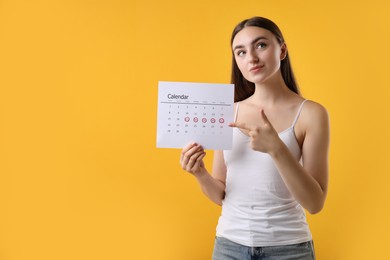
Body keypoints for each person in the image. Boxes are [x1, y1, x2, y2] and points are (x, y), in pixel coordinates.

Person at [180, 16, 329, 260]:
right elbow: (221, 194)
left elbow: (314, 203)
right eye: (240, 52)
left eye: (260, 45)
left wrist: (276, 149)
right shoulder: (227, 110)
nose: (251, 57)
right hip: (229, 246)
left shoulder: (311, 114)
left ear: (282, 50)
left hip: (289, 248)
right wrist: (200, 173)